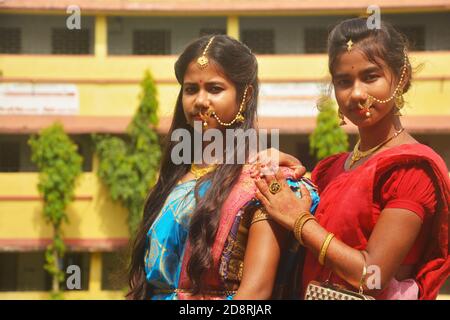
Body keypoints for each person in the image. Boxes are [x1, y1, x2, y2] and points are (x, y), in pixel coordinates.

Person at [251, 18, 449, 300]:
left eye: (370, 77)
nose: (356, 94)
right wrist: (290, 174)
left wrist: (299, 220)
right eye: (344, 82)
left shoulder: (411, 169)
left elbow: (372, 277)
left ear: (401, 77)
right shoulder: (332, 167)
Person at [126, 34, 319, 300]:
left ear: (245, 95)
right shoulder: (173, 180)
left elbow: (255, 294)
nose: (200, 101)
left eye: (215, 89)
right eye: (191, 89)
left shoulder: (261, 182)